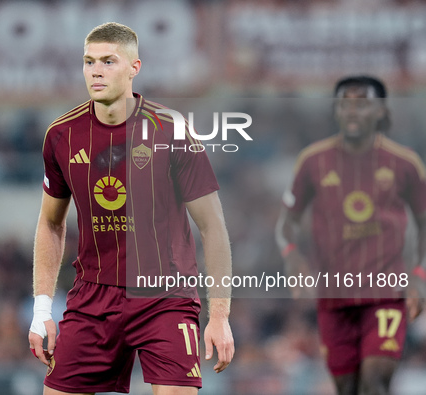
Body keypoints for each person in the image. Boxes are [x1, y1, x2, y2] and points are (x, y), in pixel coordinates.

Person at [28, 22, 235, 395]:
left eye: (108, 61)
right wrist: (43, 310)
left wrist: (219, 315)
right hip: (92, 296)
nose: (96, 71)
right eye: (89, 62)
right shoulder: (61, 135)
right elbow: (50, 223)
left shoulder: (172, 130)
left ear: (134, 68)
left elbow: (213, 226)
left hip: (165, 297)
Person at [276, 75, 426, 395]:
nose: (353, 111)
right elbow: (285, 224)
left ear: (382, 112)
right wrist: (292, 257)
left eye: (363, 104)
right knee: (347, 388)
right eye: (346, 104)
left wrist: (420, 274)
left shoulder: (405, 164)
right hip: (334, 297)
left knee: (375, 382)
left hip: (386, 292)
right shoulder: (313, 162)